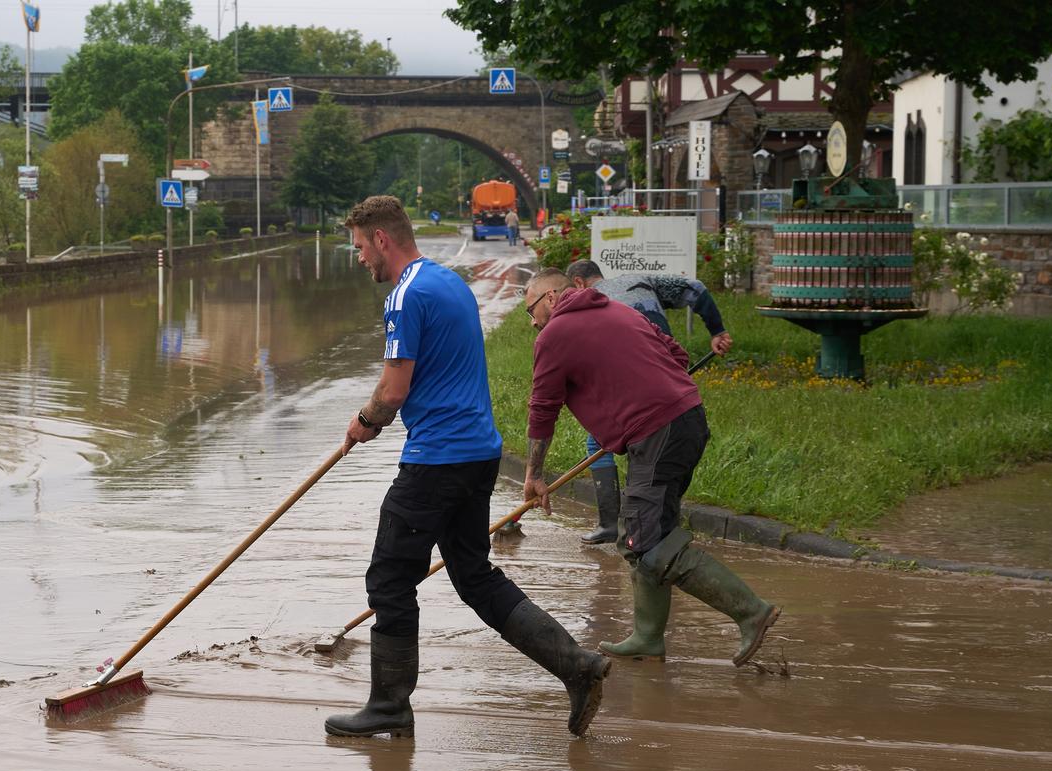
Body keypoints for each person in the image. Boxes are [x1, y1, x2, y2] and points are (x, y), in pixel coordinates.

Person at [328, 197, 610, 739]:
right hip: (478, 453)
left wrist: (366, 420)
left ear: (382, 239)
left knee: (389, 577)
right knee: (475, 577)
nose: (359, 257)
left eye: (360, 246)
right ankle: (577, 666)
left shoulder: (405, 295)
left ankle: (389, 706)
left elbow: (393, 388)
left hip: (438, 458)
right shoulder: (449, 282)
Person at [521, 266, 780, 666]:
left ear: (551, 298)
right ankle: (648, 637)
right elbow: (676, 352)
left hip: (659, 433)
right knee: (643, 531)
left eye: (530, 309)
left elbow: (543, 408)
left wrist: (534, 474)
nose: (532, 320)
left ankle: (751, 611)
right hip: (685, 420)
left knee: (646, 540)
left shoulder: (554, 334)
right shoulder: (618, 310)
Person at [561, 260, 734, 545]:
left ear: (578, 283)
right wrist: (718, 331)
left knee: (600, 442)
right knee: (654, 452)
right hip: (669, 375)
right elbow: (696, 288)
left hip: (633, 380)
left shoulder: (593, 304)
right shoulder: (640, 279)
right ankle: (658, 525)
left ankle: (609, 525)